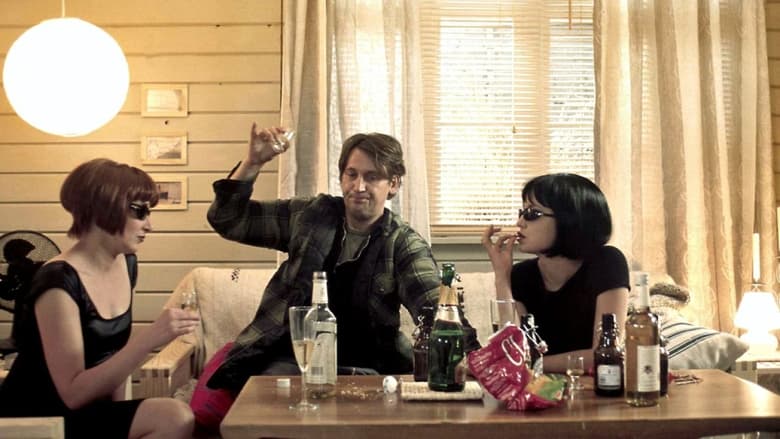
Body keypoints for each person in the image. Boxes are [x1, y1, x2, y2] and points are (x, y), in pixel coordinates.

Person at [205, 124, 480, 390]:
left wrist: (472, 358)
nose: (359, 186)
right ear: (342, 178)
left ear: (393, 184)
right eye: (352, 174)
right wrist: (253, 163)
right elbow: (228, 219)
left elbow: (434, 306)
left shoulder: (403, 243)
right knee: (272, 399)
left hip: (367, 369)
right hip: (293, 361)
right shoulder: (311, 216)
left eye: (372, 177)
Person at [0, 158, 199, 438]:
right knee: (173, 416)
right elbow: (72, 394)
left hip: (88, 410)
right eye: (140, 212)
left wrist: (120, 414)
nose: (149, 225)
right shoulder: (58, 281)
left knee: (175, 416)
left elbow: (113, 355)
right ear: (104, 208)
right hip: (39, 417)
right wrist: (149, 338)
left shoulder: (126, 263)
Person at [481, 173, 629, 374]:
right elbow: (514, 349)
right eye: (522, 212)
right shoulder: (522, 275)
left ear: (570, 219)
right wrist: (502, 275)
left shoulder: (607, 262)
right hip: (541, 388)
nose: (520, 222)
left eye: (532, 213)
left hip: (595, 387)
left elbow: (605, 353)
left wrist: (533, 365)